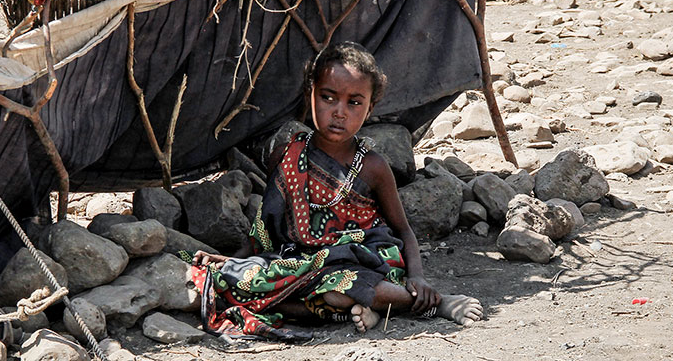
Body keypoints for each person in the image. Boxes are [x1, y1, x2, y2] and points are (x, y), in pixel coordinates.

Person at [189, 42, 483, 340]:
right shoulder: (287, 155)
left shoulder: (373, 166)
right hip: (302, 264)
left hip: (363, 261)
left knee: (344, 288)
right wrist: (235, 262)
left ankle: (431, 303)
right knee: (229, 282)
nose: (339, 112)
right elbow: (265, 229)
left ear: (370, 108)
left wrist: (417, 277)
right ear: (310, 96)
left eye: (354, 102)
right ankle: (368, 308)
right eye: (328, 97)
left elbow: (403, 230)